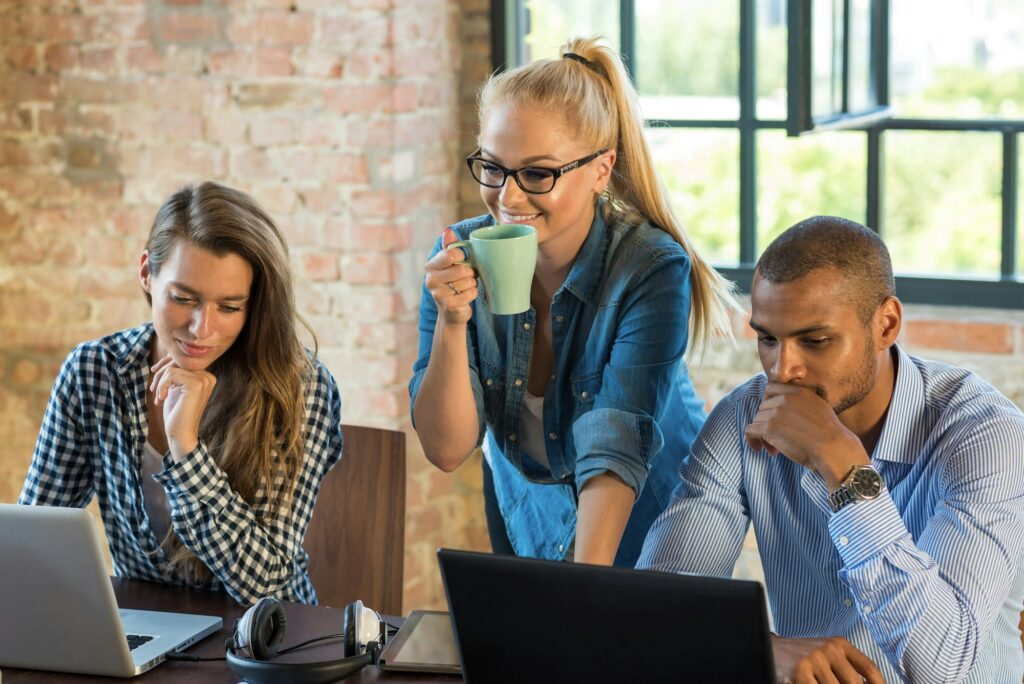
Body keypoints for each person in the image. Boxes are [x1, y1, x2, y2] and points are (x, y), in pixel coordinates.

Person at [637, 215, 1024, 683]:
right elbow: (656, 609)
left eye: (814, 341)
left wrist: (842, 464)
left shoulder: (986, 436)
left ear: (886, 325)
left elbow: (940, 664)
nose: (783, 371)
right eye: (767, 339)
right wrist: (763, 648)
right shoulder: (743, 418)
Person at [409, 37, 736, 566]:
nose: (508, 198)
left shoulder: (650, 268)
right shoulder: (455, 257)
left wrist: (580, 601)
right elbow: (447, 449)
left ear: (601, 170)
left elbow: (615, 451)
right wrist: (453, 320)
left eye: (537, 173)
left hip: (647, 514)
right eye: (492, 168)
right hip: (528, 501)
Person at [19, 182, 343, 606]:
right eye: (183, 298)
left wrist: (186, 451)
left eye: (229, 307)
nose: (201, 328)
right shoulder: (95, 371)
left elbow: (265, 582)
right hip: (139, 637)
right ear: (146, 274)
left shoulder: (300, 386)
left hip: (265, 642)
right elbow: (32, 537)